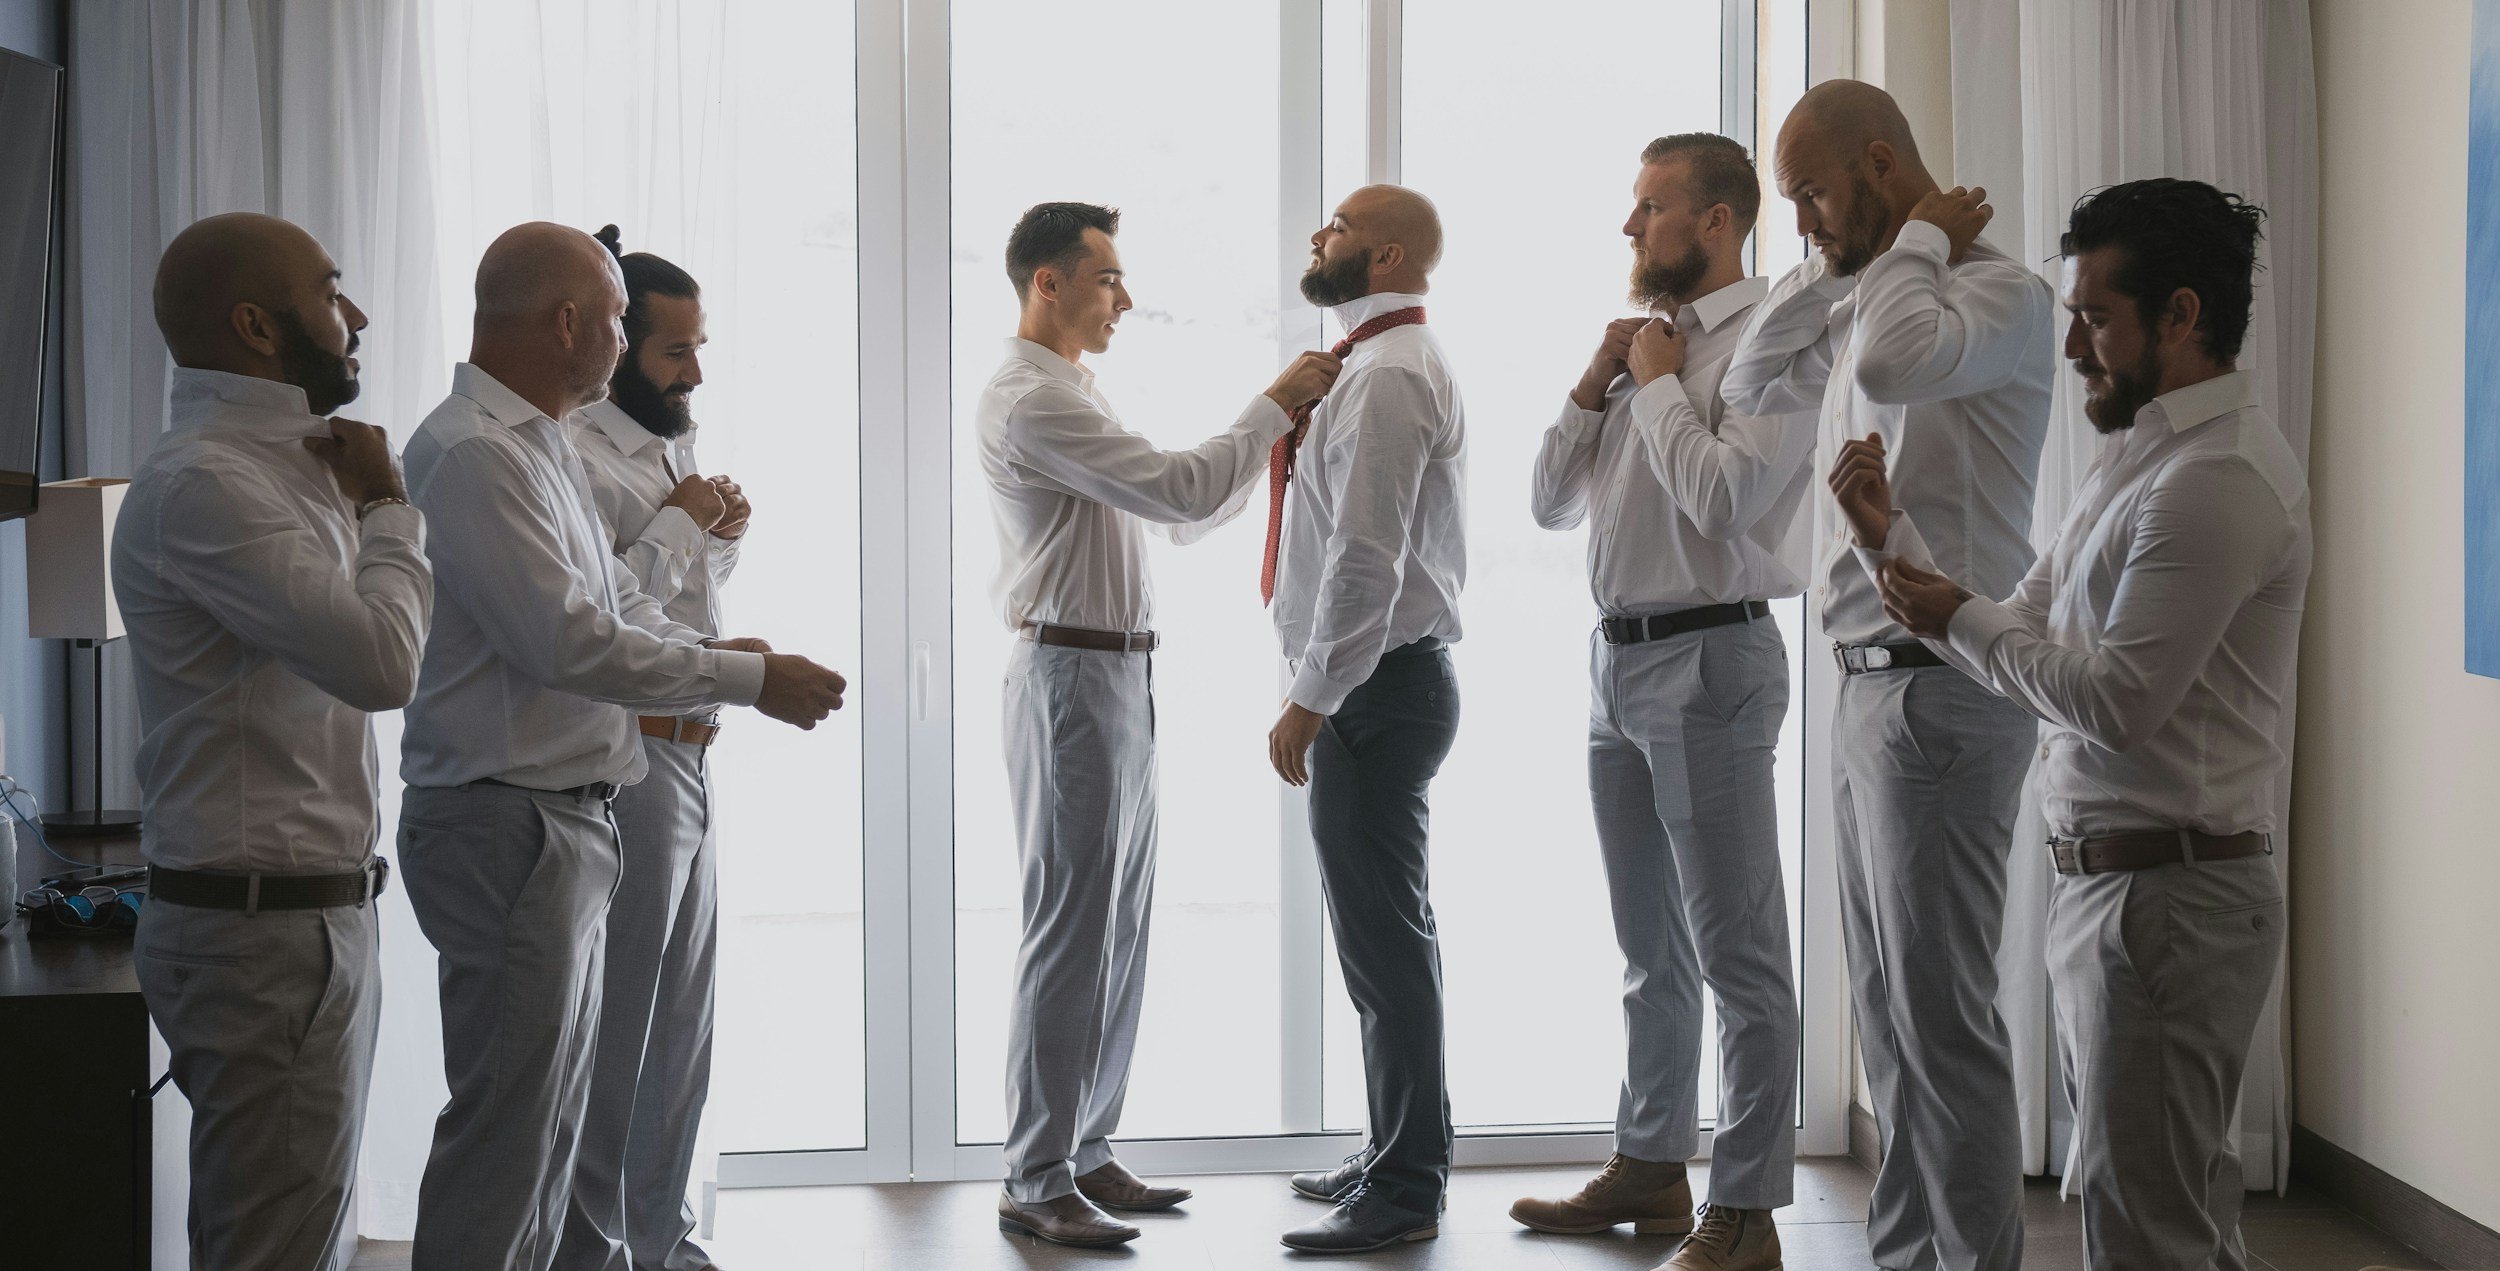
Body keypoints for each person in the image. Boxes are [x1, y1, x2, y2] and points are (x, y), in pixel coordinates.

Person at [1835, 178, 2303, 1271]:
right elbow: (2025, 626)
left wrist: (1955, 608)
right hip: (2123, 890)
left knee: (2147, 1230)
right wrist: (1886, 539)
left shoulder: (2211, 478)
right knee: (2156, 1212)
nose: (2074, 347)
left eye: (2095, 316)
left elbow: (2116, 706)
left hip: (2172, 898)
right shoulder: (2135, 458)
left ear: (2179, 316)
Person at [397, 221, 848, 1271]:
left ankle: (638, 1243)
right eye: (616, 320)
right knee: (508, 1141)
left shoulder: (541, 441)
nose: (618, 342)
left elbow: (622, 601)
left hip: (571, 804)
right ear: (571, 324)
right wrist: (746, 675)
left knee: (550, 1129)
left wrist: (714, 632)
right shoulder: (473, 451)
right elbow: (566, 639)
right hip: (509, 814)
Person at [1722, 78, 2056, 1271]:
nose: (1801, 221)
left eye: (1810, 192)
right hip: (1868, 684)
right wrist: (1857, 253)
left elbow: (1905, 367)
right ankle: (1906, 1257)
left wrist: (1911, 243)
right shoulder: (1870, 289)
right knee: (1885, 1015)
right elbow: (1751, 375)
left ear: (1877, 163)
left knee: (1941, 1020)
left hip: (1947, 685)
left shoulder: (1999, 293)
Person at [979, 200, 1342, 1249]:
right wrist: (1271, 405)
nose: (1124, 299)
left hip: (1115, 676)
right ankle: (1035, 1171)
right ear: (1048, 282)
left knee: (1118, 923)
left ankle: (1085, 1149)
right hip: (1069, 675)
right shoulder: (1028, 400)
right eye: (1107, 279)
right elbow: (1181, 493)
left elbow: (1179, 512)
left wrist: (1261, 443)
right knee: (1070, 926)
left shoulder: (1072, 391)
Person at [1515, 133, 1813, 1271]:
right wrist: (1598, 384)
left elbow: (1727, 496)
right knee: (1648, 944)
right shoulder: (1647, 344)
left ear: (1720, 221)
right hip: (1616, 662)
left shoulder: (1770, 341)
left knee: (1739, 947)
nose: (1630, 229)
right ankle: (1649, 1161)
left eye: (1650, 208)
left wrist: (1648, 390)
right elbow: (1546, 501)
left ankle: (1745, 1211)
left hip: (1710, 659)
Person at [113, 211, 429, 1271]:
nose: (358, 315)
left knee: (300, 1236)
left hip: (307, 920)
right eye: (331, 290)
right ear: (256, 324)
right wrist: (389, 506)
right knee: (273, 1249)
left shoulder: (291, 466)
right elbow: (383, 662)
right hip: (263, 936)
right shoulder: (209, 482)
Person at [1266, 184, 1467, 1255]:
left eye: (1337, 226)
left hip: (1374, 686)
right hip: (1378, 680)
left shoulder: (1388, 376)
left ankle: (1404, 1188)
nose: (1318, 238)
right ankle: (1402, 1145)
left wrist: (1312, 692)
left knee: (1383, 948)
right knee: (1386, 941)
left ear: (1383, 252)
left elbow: (1365, 555)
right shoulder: (1369, 366)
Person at [553, 228, 748, 1271]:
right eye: (676, 351)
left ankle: (662, 1238)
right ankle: (591, 1248)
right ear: (620, 348)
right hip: (627, 761)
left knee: (683, 1027)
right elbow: (601, 618)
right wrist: (679, 525)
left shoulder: (664, 442)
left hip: (694, 753)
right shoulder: (572, 453)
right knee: (618, 1026)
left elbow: (678, 605)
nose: (695, 371)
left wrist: (715, 535)